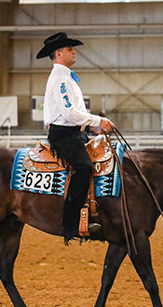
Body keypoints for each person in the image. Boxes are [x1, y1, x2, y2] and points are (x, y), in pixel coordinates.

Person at [36, 32, 115, 244]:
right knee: (84, 167)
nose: (74, 51)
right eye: (70, 49)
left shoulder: (66, 77)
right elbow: (70, 113)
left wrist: (90, 124)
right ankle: (71, 221)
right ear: (59, 54)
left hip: (75, 133)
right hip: (65, 135)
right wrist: (98, 121)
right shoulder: (61, 79)